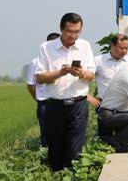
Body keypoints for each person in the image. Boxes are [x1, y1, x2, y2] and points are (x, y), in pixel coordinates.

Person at [35, 13, 96, 171]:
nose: (73, 35)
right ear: (61, 29)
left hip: (78, 105)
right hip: (55, 105)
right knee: (55, 149)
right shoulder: (46, 47)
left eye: (77, 31)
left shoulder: (85, 46)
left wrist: (81, 73)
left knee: (74, 151)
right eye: (69, 31)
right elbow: (40, 78)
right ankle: (55, 180)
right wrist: (60, 73)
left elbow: (91, 75)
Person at [90, 34, 128, 137]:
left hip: (125, 108)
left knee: (123, 139)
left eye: (126, 48)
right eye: (121, 48)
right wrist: (87, 96)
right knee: (104, 138)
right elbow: (83, 79)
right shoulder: (98, 61)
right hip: (105, 107)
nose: (124, 51)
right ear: (112, 46)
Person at [26, 32, 60, 147]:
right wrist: (38, 99)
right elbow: (30, 85)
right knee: (46, 135)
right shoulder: (36, 62)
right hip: (45, 103)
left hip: (62, 102)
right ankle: (45, 156)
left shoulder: (63, 61)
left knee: (62, 134)